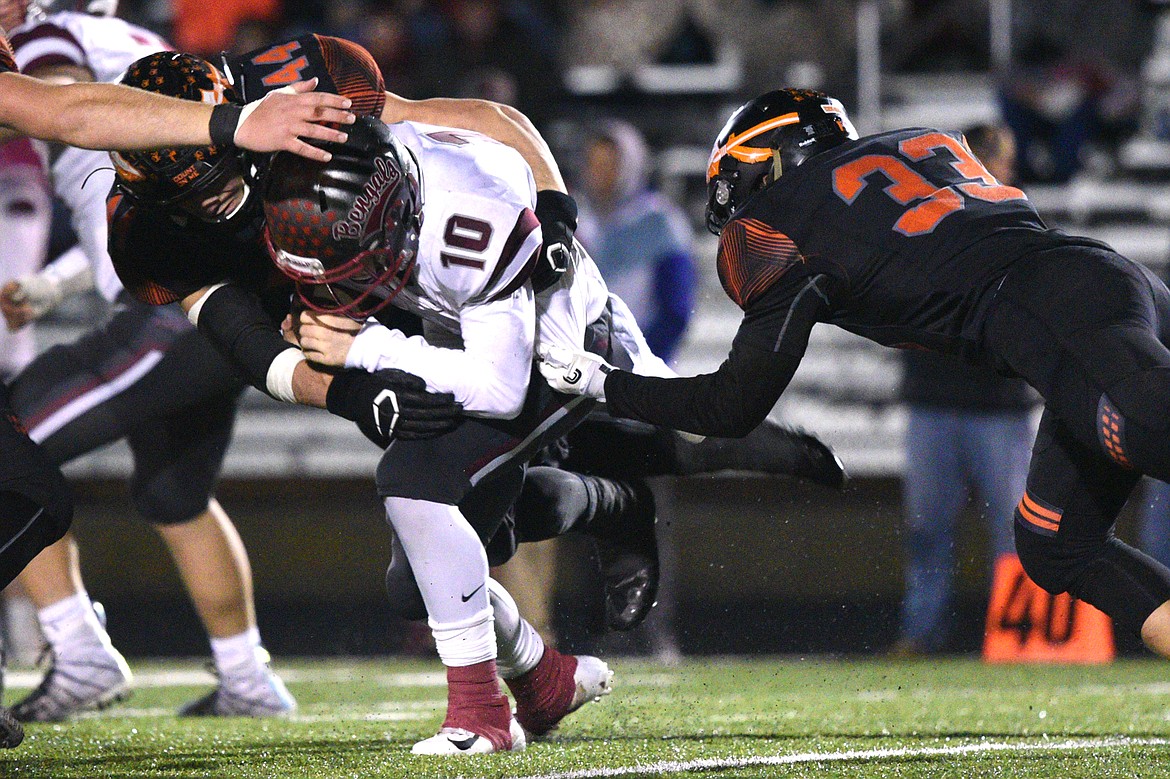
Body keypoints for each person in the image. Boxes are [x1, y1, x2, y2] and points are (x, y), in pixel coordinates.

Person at [541, 87, 1170, 665]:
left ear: (773, 157)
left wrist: (603, 383)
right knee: (1054, 541)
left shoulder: (779, 224)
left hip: (1061, 317)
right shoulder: (920, 142)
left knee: (1146, 430)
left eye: (737, 176)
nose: (734, 199)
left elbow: (729, 407)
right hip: (1101, 292)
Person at [0, 0, 294, 721]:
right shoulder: (136, 42)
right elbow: (122, 167)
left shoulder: (43, 37)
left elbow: (68, 110)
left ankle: (78, 652)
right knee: (174, 496)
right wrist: (56, 283)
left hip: (172, 303)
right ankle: (249, 677)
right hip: (224, 297)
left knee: (8, 446)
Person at [891, 123, 1039, 656]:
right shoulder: (925, 221)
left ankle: (1021, 633)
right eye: (999, 158)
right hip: (936, 398)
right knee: (928, 531)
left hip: (997, 403)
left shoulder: (1019, 222)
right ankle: (923, 630)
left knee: (1015, 532)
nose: (1007, 170)